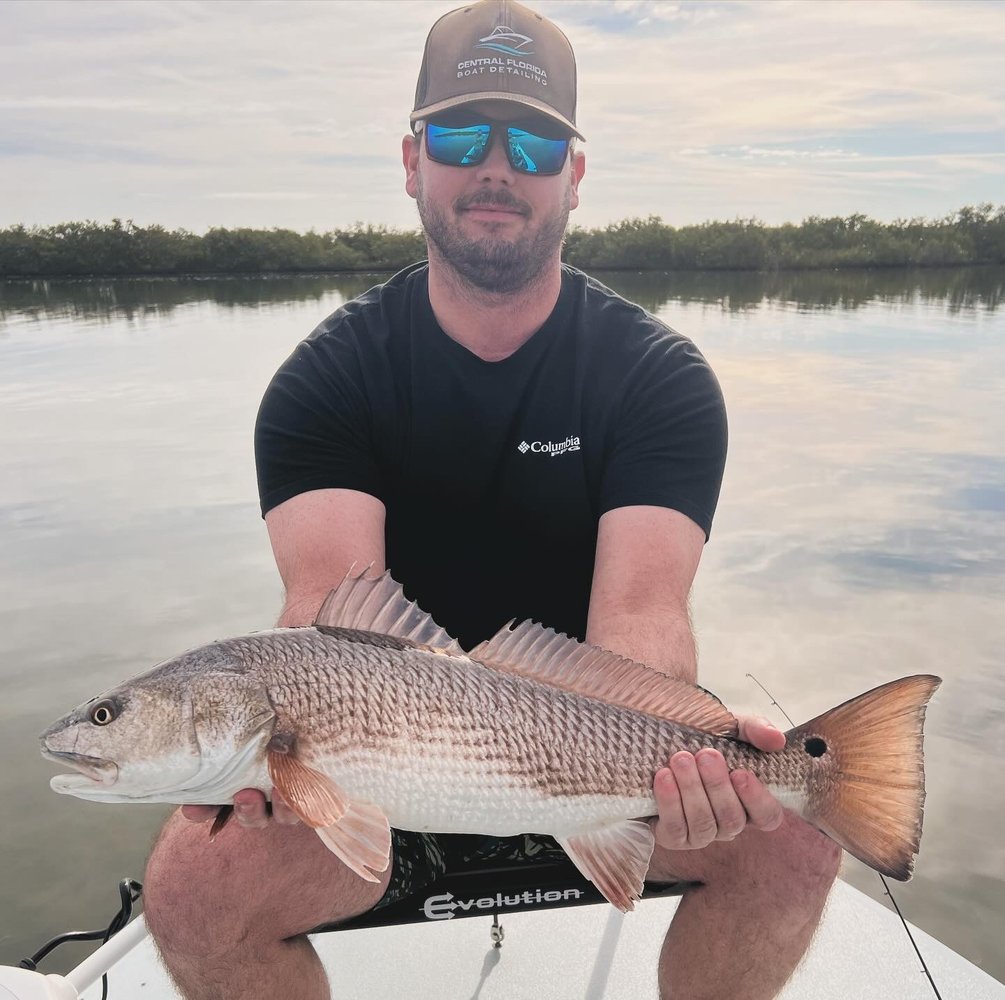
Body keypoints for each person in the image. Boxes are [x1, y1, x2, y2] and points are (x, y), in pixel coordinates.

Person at [143, 2, 840, 997]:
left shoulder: (657, 378)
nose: (498, 168)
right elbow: (326, 618)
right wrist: (288, 773)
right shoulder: (325, 384)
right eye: (463, 135)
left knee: (798, 846)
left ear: (577, 172)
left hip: (597, 768)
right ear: (413, 159)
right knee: (191, 888)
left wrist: (678, 772)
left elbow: (641, 620)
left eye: (537, 140)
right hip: (382, 778)